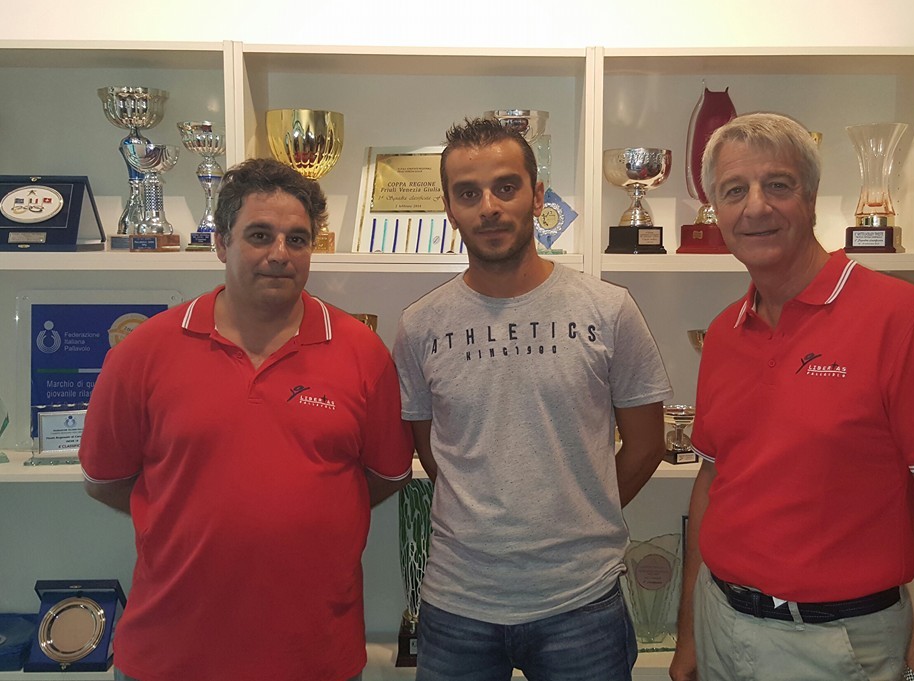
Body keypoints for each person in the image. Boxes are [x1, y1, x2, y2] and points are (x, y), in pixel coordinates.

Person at [79, 157, 414, 681]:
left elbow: (385, 475)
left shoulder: (362, 353)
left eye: (297, 240)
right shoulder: (142, 352)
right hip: (169, 656)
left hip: (314, 657)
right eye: (259, 235)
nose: (279, 254)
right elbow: (106, 480)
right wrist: (186, 513)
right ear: (220, 244)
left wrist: (307, 510)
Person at [669, 112, 914, 681]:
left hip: (841, 645)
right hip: (719, 621)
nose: (755, 207)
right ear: (716, 211)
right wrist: (689, 638)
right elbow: (713, 481)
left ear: (811, 197)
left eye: (777, 184)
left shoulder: (903, 320)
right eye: (734, 190)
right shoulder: (725, 331)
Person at [392, 117, 673, 681]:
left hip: (581, 601)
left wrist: (579, 514)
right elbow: (432, 451)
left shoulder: (608, 310)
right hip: (458, 602)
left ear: (537, 196)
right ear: (450, 209)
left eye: (506, 187)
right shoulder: (420, 326)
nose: (489, 207)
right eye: (468, 194)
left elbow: (647, 445)